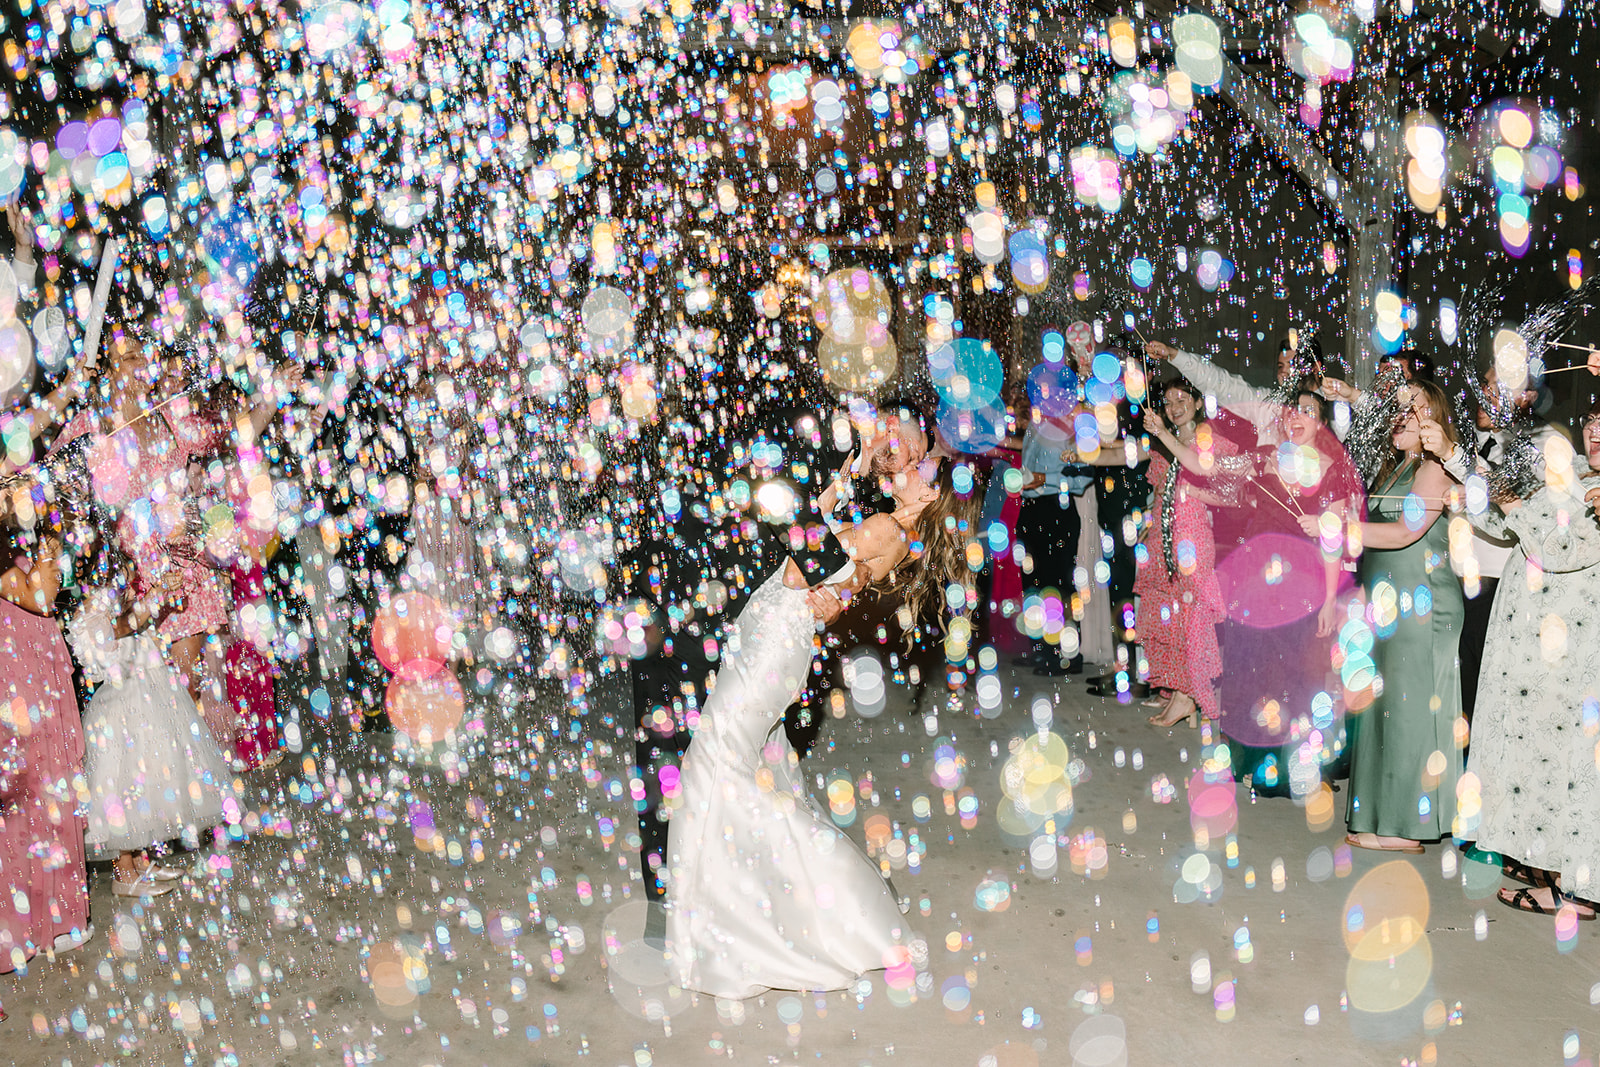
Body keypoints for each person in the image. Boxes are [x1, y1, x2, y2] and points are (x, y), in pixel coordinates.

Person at [664, 460, 982, 998]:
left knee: (714, 765)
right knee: (745, 769)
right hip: (779, 642)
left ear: (931, 494)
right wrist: (831, 575)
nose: (906, 465)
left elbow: (801, 564)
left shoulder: (887, 528)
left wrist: (801, 523)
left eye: (921, 470)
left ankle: (737, 930)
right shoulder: (894, 532)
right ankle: (770, 916)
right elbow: (844, 580)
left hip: (771, 644)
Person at [1440, 399, 1600, 916]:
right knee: (1541, 765)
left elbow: (1559, 546)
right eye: (1593, 419)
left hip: (1574, 657)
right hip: (1533, 651)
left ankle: (1573, 891)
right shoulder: (1573, 469)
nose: (1595, 429)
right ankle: (1545, 863)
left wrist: (1507, 503)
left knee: (1575, 770)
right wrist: (1464, 481)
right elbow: (1511, 516)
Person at [1298, 379, 1464, 853]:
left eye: (1411, 411)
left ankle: (1407, 826)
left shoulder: (1435, 470)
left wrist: (1341, 527)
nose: (1399, 417)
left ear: (1432, 421)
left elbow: (1402, 534)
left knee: (1410, 713)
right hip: (1389, 602)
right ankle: (1377, 815)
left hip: (1423, 605)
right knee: (1382, 709)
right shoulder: (1396, 467)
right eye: (1397, 409)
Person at [69, 559, 240, 897]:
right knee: (125, 787)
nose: (135, 581)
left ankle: (140, 859)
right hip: (122, 710)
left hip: (146, 698)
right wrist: (157, 595)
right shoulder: (94, 608)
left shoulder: (121, 602)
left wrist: (160, 596)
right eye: (130, 575)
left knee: (145, 786)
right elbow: (119, 629)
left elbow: (138, 623)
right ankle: (123, 872)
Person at [1427, 363, 1570, 723]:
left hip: (1498, 585)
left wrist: (1465, 476)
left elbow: (1515, 518)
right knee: (1451, 687)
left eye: (1498, 386)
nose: (1484, 393)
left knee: (1482, 693)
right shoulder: (1467, 436)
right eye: (1484, 384)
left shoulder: (1544, 445)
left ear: (1528, 397)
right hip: (1453, 579)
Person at [0, 501, 91, 973]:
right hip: (22, 679)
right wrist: (49, 551)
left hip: (25, 672)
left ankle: (42, 922)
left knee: (36, 798)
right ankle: (39, 924)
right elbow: (45, 596)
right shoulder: (9, 564)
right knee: (38, 794)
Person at [1135, 380, 1238, 728]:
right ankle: (1180, 695)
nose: (1174, 406)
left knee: (1191, 620)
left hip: (1192, 539)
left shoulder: (1208, 439)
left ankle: (1190, 698)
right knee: (1175, 617)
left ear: (1197, 402)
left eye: (1182, 399)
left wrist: (1163, 433)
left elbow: (1211, 480)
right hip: (1168, 538)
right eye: (1167, 402)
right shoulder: (1172, 443)